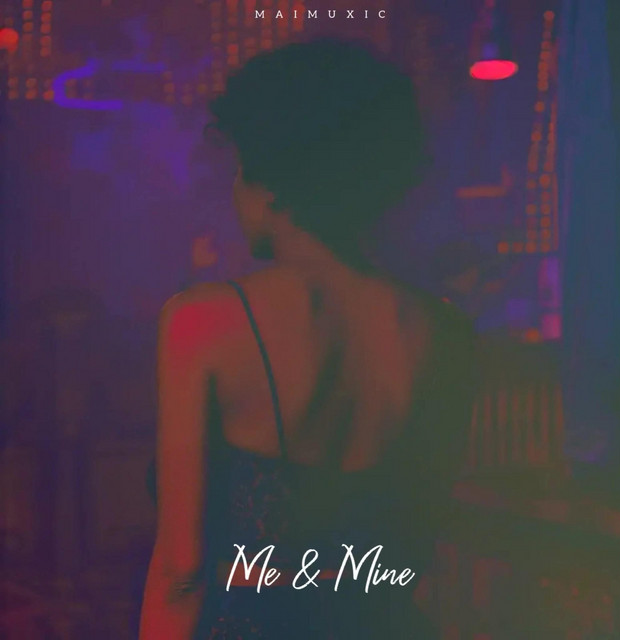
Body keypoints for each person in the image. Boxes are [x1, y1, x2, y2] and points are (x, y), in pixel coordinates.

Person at [139, 37, 476, 640]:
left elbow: (180, 570)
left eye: (239, 170)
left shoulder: (203, 323)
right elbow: (417, 547)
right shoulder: (446, 334)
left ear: (272, 185)